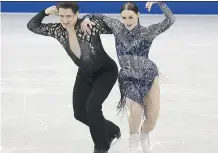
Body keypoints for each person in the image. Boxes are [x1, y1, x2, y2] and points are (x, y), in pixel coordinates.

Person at [81, 1, 176, 153]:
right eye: (124, 18)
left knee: (151, 119)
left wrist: (159, 2)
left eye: (131, 17)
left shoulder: (148, 32)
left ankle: (144, 136)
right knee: (136, 113)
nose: (127, 21)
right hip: (128, 78)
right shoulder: (117, 27)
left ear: (138, 15)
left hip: (148, 75)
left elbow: (170, 19)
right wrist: (86, 18)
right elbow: (98, 16)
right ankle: (133, 143)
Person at [26, 2, 121, 153]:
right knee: (79, 114)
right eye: (61, 16)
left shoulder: (89, 26)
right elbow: (32, 26)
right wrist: (44, 12)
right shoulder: (57, 30)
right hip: (84, 73)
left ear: (76, 14)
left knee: (92, 107)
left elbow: (116, 26)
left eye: (69, 16)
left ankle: (101, 146)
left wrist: (89, 17)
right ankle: (112, 129)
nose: (65, 20)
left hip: (105, 72)